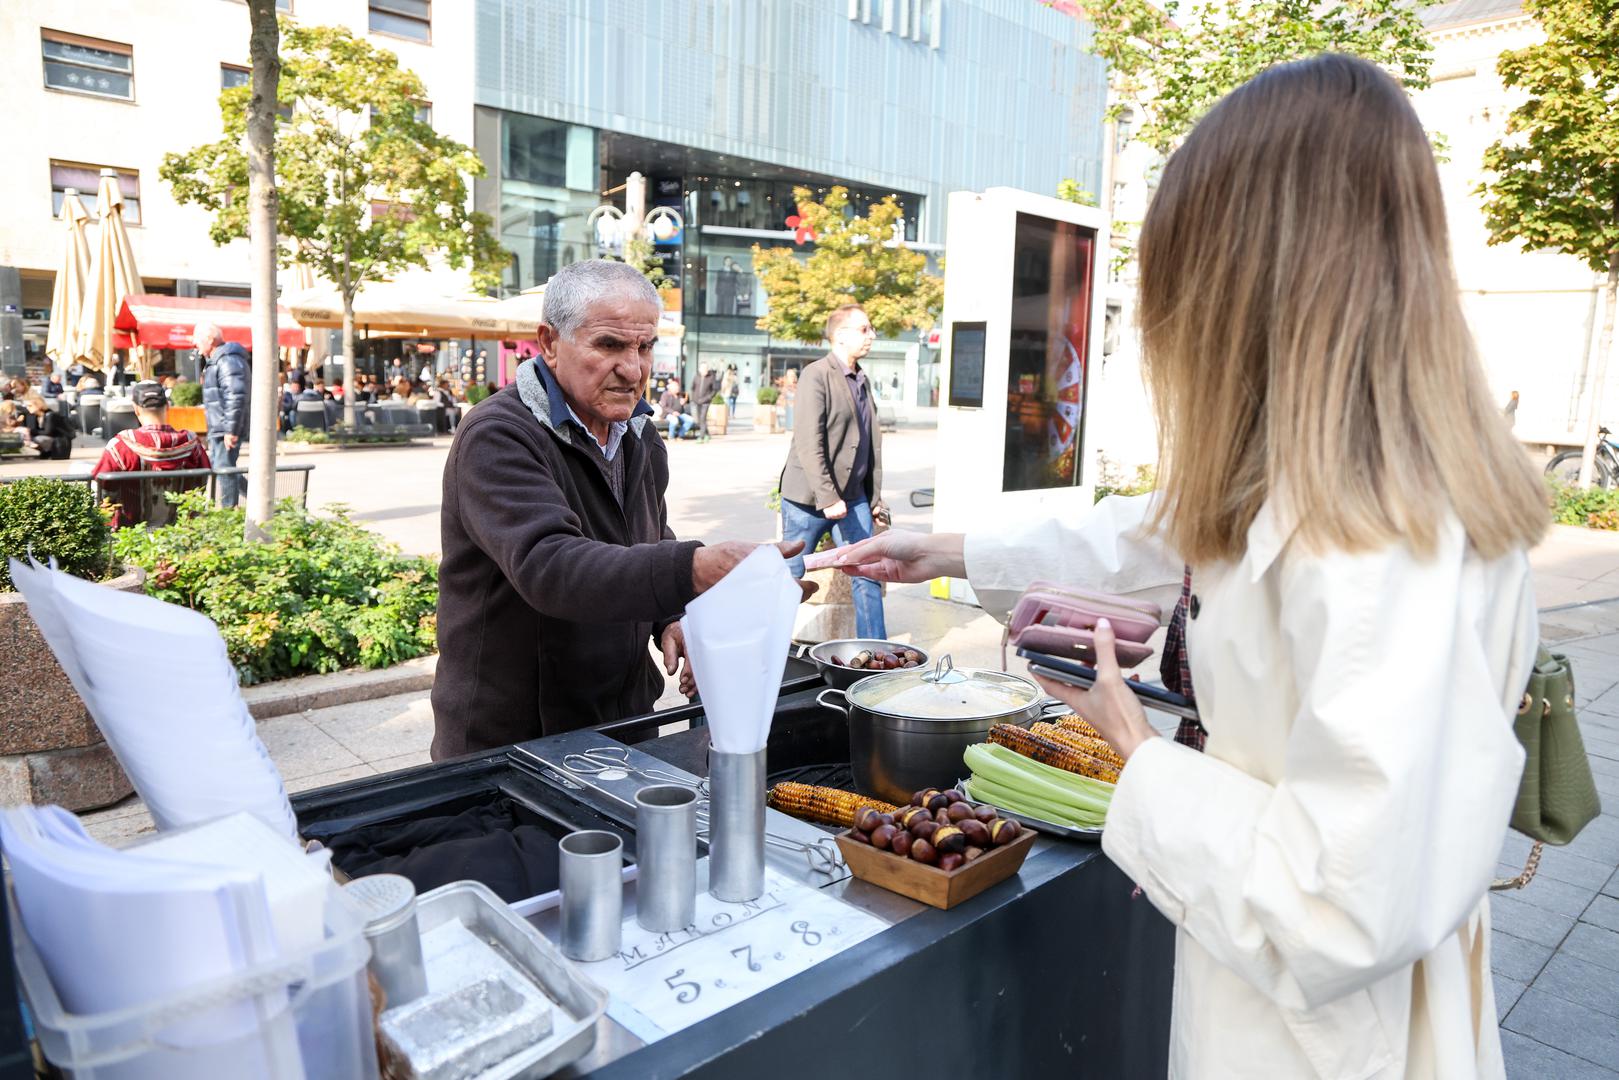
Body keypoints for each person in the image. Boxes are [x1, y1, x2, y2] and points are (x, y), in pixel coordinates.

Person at [822, 55, 1547, 1079]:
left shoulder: (1393, 541)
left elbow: (1337, 906)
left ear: (1249, 279)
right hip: (1265, 1001)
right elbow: (1160, 537)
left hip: (1327, 1041)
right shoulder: (1320, 476)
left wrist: (1135, 751)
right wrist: (945, 550)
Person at [431, 259, 814, 758]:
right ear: (549, 343)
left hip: (624, 721)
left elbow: (648, 537)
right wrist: (695, 568)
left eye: (645, 346)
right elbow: (551, 566)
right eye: (609, 345)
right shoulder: (498, 436)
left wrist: (671, 617)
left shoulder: (639, 435)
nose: (633, 369)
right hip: (514, 738)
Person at [778, 304, 887, 639]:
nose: (872, 335)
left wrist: (874, 499)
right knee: (789, 579)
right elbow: (808, 441)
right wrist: (828, 496)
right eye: (864, 329)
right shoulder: (817, 374)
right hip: (808, 500)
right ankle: (767, 652)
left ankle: (878, 655)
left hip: (853, 499)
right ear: (840, 335)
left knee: (867, 574)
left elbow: (869, 441)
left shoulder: (862, 379)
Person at [90, 381, 211, 527]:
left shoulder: (120, 446)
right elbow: (203, 482)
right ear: (167, 406)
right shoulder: (192, 443)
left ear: (136, 409)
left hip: (130, 533)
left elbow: (103, 488)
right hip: (181, 530)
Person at [194, 321, 250, 508]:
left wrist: (230, 430)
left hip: (224, 427)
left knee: (224, 468)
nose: (195, 344)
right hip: (220, 426)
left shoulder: (227, 360)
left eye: (197, 339)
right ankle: (258, 498)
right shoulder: (220, 359)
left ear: (210, 339)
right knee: (223, 467)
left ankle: (228, 511)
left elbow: (236, 396)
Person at [20, 394, 74, 460]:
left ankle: (48, 451)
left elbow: (47, 432)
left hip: (59, 440)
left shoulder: (50, 415)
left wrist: (30, 430)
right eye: (27, 406)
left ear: (38, 405)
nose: (28, 408)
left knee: (38, 439)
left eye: (30, 406)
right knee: (25, 437)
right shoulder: (34, 416)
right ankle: (45, 452)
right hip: (50, 438)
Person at [691, 361, 719, 441]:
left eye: (706, 368)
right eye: (703, 368)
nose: (704, 370)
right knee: (699, 419)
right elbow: (692, 388)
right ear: (700, 369)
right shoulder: (696, 377)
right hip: (696, 401)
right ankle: (707, 434)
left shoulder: (711, 377)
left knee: (703, 418)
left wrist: (708, 397)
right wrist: (693, 398)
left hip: (706, 402)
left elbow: (714, 390)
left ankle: (701, 437)